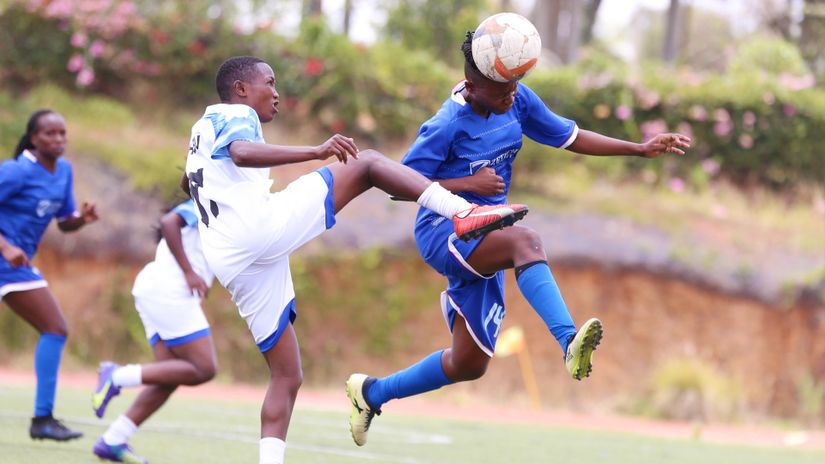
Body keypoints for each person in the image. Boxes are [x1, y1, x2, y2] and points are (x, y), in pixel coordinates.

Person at [159, 55, 526, 464]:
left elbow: (197, 174)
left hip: (229, 258)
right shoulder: (238, 113)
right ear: (241, 88)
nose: (277, 93)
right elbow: (242, 153)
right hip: (255, 232)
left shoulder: (200, 128)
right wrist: (316, 150)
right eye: (270, 81)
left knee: (286, 375)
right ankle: (462, 211)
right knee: (367, 163)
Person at [344, 31, 692, 447]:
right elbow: (398, 185)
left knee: (470, 363)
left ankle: (371, 393)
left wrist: (638, 149)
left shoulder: (518, 98)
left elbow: (571, 136)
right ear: (471, 86)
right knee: (526, 242)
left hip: (488, 230)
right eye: (501, 90)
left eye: (513, 86)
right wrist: (467, 181)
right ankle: (567, 341)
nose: (511, 96)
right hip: (444, 232)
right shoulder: (446, 124)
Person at [91, 199, 216, 463]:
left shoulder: (230, 206)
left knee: (167, 378)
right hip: (170, 292)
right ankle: (116, 376)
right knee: (204, 368)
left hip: (157, 290)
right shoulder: (208, 198)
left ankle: (112, 440)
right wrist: (189, 272)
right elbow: (169, 221)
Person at [0, 109, 99, 441]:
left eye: (62, 133)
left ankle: (43, 419)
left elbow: (64, 221)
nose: (58, 139)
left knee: (55, 328)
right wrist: (5, 247)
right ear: (33, 138)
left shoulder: (63, 171)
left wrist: (82, 220)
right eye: (50, 134)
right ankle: (42, 419)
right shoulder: (16, 171)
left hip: (16, 267)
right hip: (6, 260)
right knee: (55, 328)